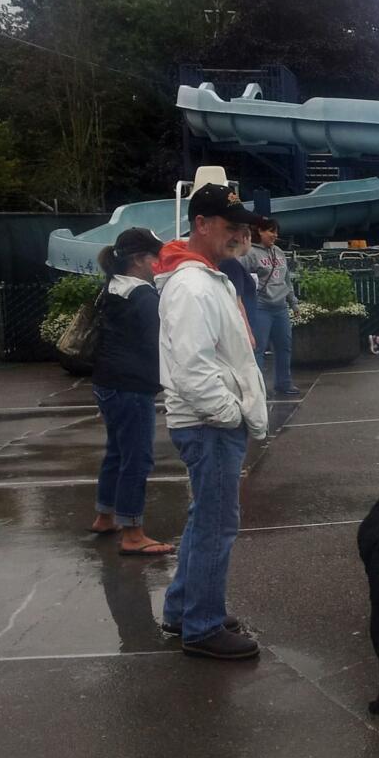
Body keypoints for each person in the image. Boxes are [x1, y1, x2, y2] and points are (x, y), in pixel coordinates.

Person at [156, 183, 269, 659]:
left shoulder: (204, 277)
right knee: (218, 523)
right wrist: (230, 414)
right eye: (230, 225)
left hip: (208, 422)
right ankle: (202, 626)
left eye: (243, 227)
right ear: (200, 224)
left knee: (207, 517)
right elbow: (192, 367)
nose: (240, 233)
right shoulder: (191, 285)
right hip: (209, 424)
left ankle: (185, 608)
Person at [90, 226, 170, 556]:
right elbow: (162, 342)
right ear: (140, 260)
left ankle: (105, 516)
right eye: (157, 258)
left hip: (106, 382)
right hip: (130, 386)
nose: (160, 265)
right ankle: (133, 533)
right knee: (136, 457)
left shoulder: (112, 286)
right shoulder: (142, 295)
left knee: (117, 452)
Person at [246, 217, 301, 397]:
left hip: (280, 307)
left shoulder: (279, 252)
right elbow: (243, 279)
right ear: (260, 231)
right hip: (261, 307)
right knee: (259, 348)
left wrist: (293, 303)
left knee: (284, 346)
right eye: (271, 231)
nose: (275, 235)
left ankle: (284, 383)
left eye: (276, 231)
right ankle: (259, 387)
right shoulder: (250, 254)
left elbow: (286, 280)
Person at [219, 226, 257, 339]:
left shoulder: (230, 263)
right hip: (239, 329)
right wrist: (247, 332)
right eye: (250, 240)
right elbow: (237, 301)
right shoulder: (232, 265)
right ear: (245, 239)